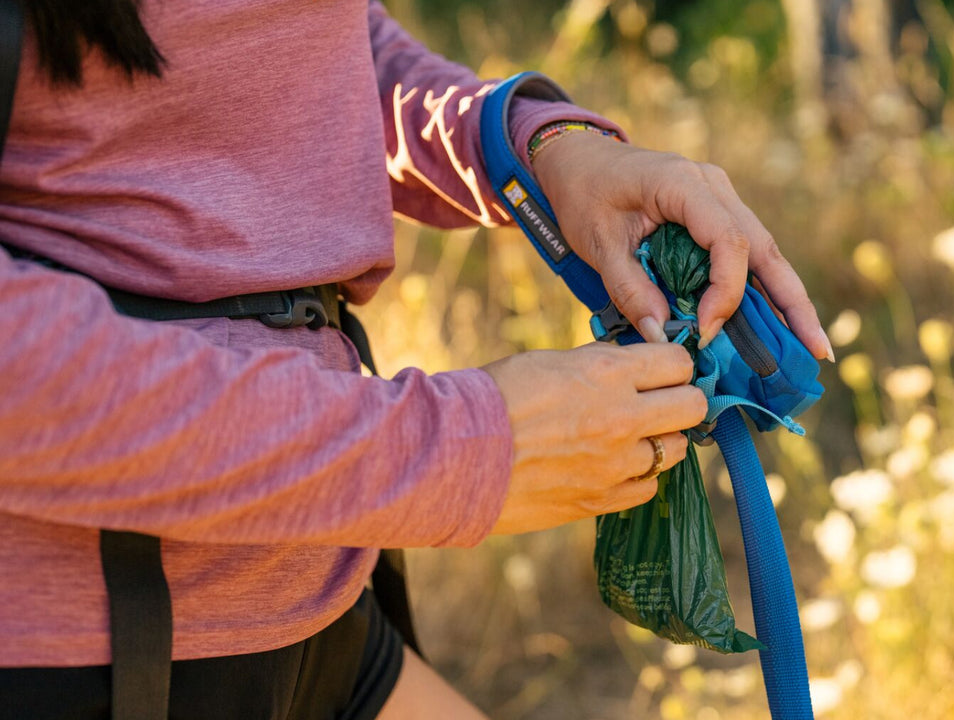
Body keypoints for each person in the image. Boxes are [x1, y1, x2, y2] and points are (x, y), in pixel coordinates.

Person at [0, 1, 833, 718]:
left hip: (315, 599)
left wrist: (535, 146)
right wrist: (459, 451)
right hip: (80, 648)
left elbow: (303, 49)